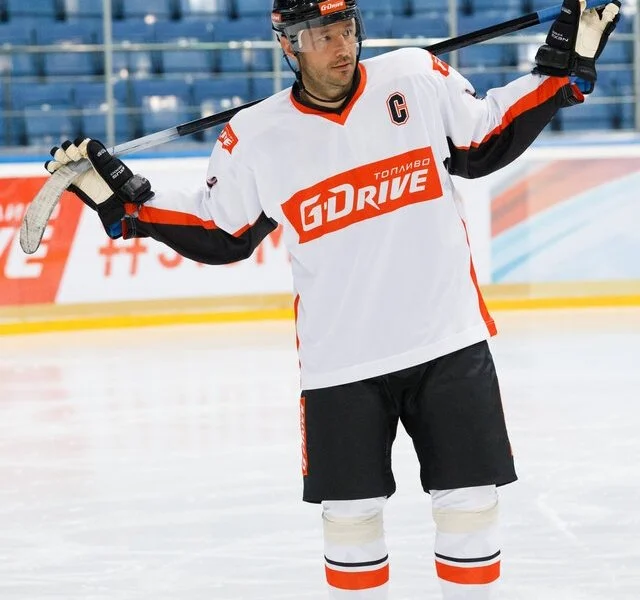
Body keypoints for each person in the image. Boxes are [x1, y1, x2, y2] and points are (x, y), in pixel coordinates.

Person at [45, 0, 620, 597]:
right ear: (288, 45)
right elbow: (220, 232)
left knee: (470, 506)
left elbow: (486, 138)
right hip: (340, 365)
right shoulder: (256, 137)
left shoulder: (414, 76)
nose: (341, 47)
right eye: (321, 37)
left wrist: (559, 74)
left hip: (447, 340)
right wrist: (133, 205)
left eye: (345, 30)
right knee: (350, 523)